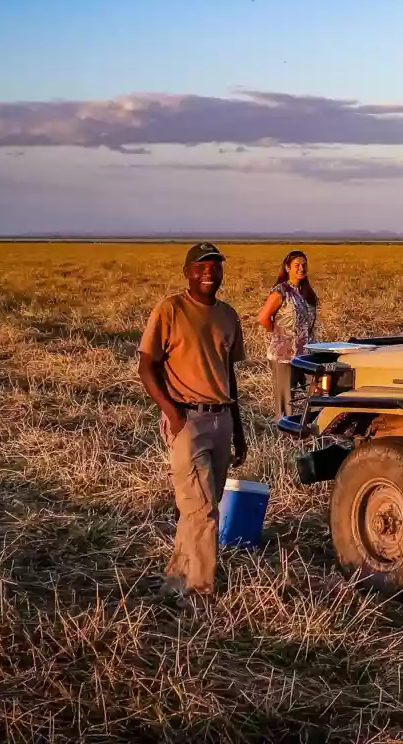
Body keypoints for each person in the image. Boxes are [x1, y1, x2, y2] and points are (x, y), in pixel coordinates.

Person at [137, 241, 248, 598]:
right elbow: (146, 366)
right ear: (186, 273)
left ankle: (176, 579)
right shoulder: (170, 310)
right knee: (202, 510)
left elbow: (228, 376)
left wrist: (239, 430)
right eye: (200, 266)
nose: (208, 273)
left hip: (221, 421)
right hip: (188, 420)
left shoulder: (228, 316)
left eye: (215, 266)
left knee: (200, 507)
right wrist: (173, 414)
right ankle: (200, 592)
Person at [257, 249, 320, 419]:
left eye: (304, 265)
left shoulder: (307, 292)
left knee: (316, 391)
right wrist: (281, 334)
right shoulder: (281, 291)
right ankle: (286, 432)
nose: (301, 268)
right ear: (287, 268)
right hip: (284, 355)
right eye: (297, 265)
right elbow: (263, 318)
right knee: (286, 399)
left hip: (306, 353)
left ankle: (311, 427)